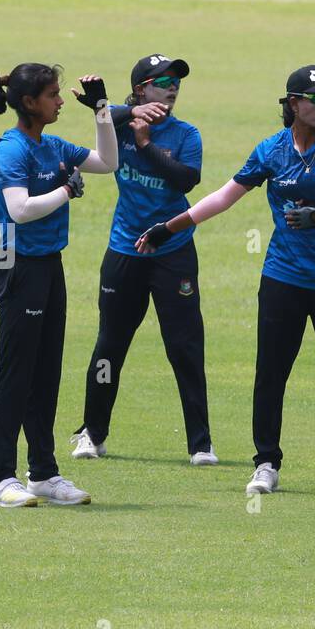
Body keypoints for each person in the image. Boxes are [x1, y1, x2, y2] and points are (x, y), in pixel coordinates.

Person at [136, 65, 315, 497]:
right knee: (271, 372)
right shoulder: (271, 150)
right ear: (293, 104)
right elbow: (223, 197)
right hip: (282, 278)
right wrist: (168, 228)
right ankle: (266, 462)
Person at [70, 53, 216, 466]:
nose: (172, 87)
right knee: (109, 345)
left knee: (185, 347)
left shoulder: (187, 133)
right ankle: (91, 434)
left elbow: (186, 179)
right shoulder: (117, 124)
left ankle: (200, 443)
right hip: (124, 251)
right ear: (139, 90)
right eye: (162, 81)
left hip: (173, 253)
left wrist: (148, 144)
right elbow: (100, 118)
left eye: (176, 82)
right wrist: (126, 112)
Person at [0, 63, 117, 507]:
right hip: (17, 264)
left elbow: (108, 162)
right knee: (14, 374)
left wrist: (101, 110)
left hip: (48, 265)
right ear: (29, 102)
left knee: (46, 373)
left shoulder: (52, 144)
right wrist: (66, 191)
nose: (61, 101)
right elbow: (19, 210)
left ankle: (43, 473)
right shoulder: (12, 149)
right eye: (53, 95)